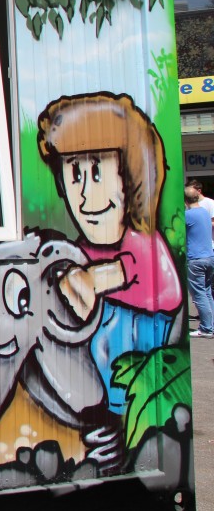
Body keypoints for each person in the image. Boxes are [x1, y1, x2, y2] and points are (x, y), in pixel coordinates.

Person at [38, 93, 181, 415]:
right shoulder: (83, 249)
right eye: (74, 175)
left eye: (99, 173)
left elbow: (134, 276)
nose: (87, 195)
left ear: (131, 177)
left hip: (137, 389)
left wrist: (84, 280)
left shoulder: (142, 245)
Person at [186, 186, 214, 338]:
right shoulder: (204, 212)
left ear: (185, 200)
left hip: (196, 259)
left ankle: (206, 328)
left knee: (199, 295)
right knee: (207, 293)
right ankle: (211, 325)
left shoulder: (188, 215)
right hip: (209, 257)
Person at [186, 179, 214, 245]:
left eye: (192, 191)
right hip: (193, 243)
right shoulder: (188, 204)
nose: (189, 194)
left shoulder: (210, 203)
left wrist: (200, 223)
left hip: (209, 244)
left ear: (199, 191)